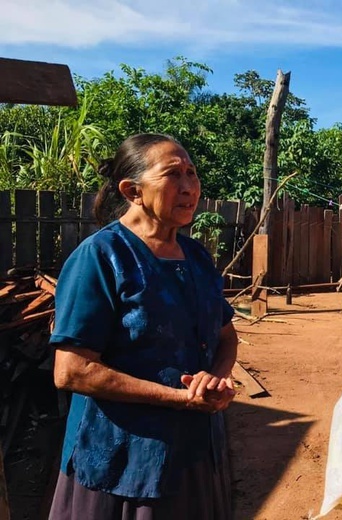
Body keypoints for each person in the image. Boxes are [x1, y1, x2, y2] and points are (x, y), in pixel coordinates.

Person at [48, 133, 238, 519]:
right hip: (121, 464)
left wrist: (215, 381)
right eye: (173, 175)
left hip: (195, 455)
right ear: (132, 190)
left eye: (192, 173)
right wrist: (181, 398)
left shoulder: (197, 256)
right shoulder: (100, 257)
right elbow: (72, 371)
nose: (189, 187)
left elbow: (225, 334)